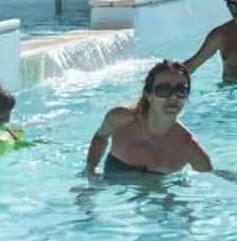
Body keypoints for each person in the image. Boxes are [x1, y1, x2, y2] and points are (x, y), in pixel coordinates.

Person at [84, 60, 213, 176]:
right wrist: (90, 171)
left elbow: (210, 178)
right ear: (148, 95)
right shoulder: (119, 119)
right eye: (164, 89)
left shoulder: (189, 147)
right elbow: (100, 138)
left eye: (180, 90)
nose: (173, 97)